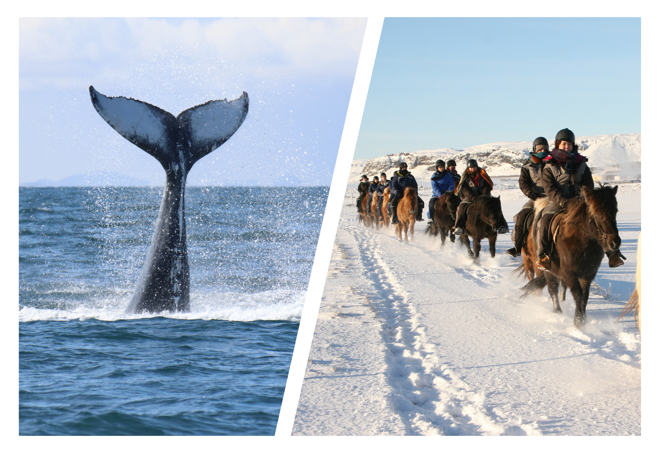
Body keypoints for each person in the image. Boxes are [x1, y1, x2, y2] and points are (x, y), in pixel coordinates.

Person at [535, 128, 625, 269]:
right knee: (545, 220)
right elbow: (549, 188)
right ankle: (544, 256)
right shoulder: (549, 165)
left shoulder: (581, 163)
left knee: (600, 218)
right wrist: (563, 201)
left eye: (569, 144)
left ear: (573, 145)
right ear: (558, 144)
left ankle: (612, 253)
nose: (567, 147)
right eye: (564, 144)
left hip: (580, 201)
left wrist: (584, 198)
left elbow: (588, 183)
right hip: (559, 202)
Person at [506, 137, 549, 257]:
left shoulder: (553, 162)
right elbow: (523, 183)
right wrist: (530, 194)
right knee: (522, 216)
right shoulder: (527, 165)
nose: (542, 151)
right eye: (540, 149)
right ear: (534, 150)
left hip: (552, 196)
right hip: (535, 198)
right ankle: (518, 246)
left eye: (545, 149)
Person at [452, 159, 493, 236]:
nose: (472, 169)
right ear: (468, 168)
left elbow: (487, 185)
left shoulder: (482, 175)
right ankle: (458, 226)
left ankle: (501, 225)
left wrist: (484, 195)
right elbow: (464, 189)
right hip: (470, 197)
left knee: (495, 204)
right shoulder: (465, 176)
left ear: (477, 167)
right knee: (461, 207)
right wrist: (472, 197)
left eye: (474, 167)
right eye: (470, 168)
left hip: (483, 196)